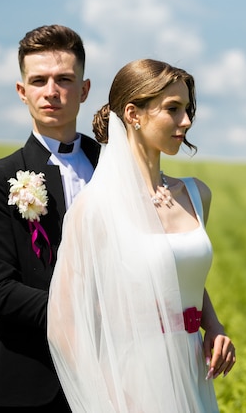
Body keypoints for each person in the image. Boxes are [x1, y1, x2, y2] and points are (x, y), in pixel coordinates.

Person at [47, 58, 236, 412]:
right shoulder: (95, 208)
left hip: (193, 370)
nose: (187, 121)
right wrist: (110, 396)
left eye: (187, 109)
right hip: (134, 381)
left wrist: (214, 326)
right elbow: (64, 324)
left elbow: (177, 272)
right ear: (133, 114)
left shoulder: (196, 195)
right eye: (173, 109)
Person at [0, 24, 100, 411]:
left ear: (85, 90)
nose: (52, 91)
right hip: (31, 379)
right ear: (22, 91)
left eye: (64, 79)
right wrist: (82, 314)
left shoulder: (114, 167)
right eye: (39, 80)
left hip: (114, 376)